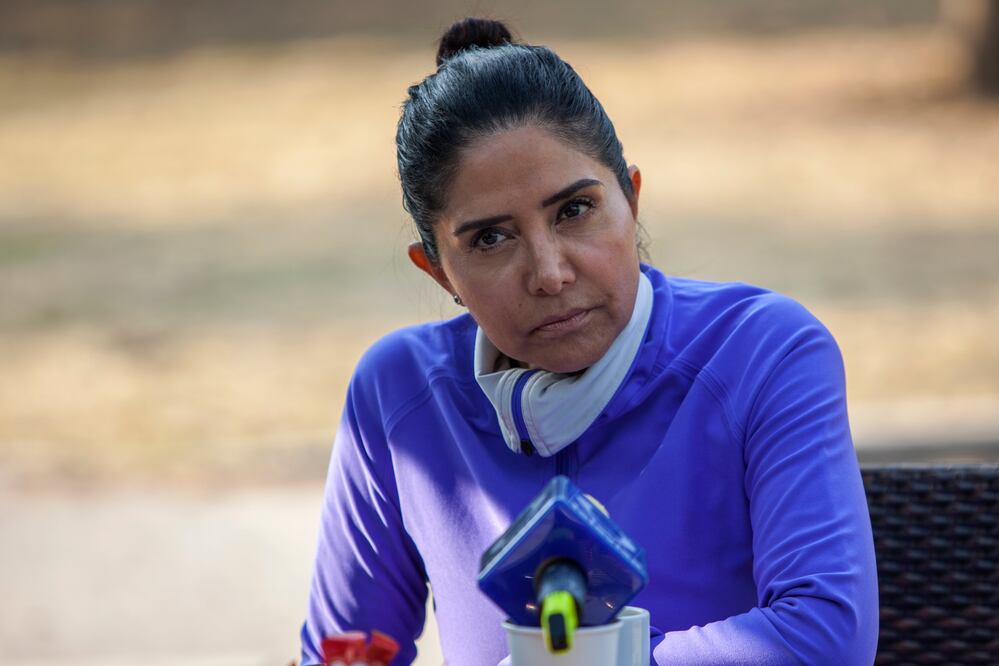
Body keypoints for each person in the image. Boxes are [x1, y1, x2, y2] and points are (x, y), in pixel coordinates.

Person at [300, 17, 879, 666]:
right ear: (438, 272)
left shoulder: (760, 351)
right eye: (490, 239)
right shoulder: (399, 393)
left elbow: (825, 638)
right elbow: (340, 652)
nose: (549, 274)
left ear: (631, 201)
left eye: (574, 210)